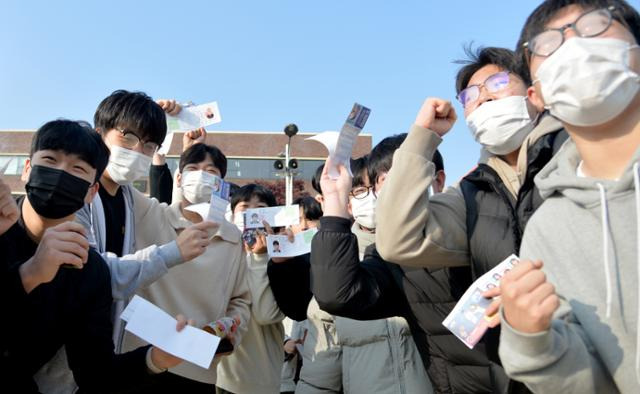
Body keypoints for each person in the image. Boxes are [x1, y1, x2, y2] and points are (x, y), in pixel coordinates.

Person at [369, 45, 567, 392]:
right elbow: (398, 239)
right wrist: (422, 138)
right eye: (470, 95)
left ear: (534, 94)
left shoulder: (578, 158)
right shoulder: (469, 196)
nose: (484, 99)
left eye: (498, 83)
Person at [490, 1, 640, 393]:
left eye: (595, 24)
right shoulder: (549, 228)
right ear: (538, 97)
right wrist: (531, 339)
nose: (573, 45)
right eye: (548, 44)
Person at [0, 120, 189, 392]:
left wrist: (155, 359)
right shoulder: (2, 228)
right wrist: (29, 274)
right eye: (50, 159)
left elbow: (95, 373)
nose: (61, 173)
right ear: (27, 170)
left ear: (91, 192)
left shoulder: (88, 270)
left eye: (78, 169)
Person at [271, 143, 437, 394]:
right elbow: (323, 362)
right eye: (358, 191)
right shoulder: (339, 265)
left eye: (375, 187)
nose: (368, 198)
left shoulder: (439, 247)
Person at [122, 143, 251, 392]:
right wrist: (164, 132)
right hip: (140, 356)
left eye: (211, 171)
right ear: (179, 178)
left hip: (197, 365)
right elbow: (120, 177)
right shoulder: (150, 214)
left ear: (222, 185)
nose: (201, 174)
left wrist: (231, 329)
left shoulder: (232, 237)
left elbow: (241, 300)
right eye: (193, 168)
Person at [216, 184, 285, 394]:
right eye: (244, 207)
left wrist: (260, 257)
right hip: (220, 376)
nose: (252, 214)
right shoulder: (222, 254)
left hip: (260, 380)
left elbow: (265, 314)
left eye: (261, 208)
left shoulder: (282, 261)